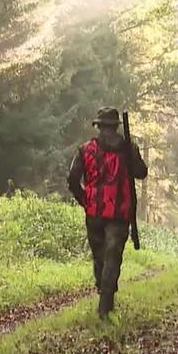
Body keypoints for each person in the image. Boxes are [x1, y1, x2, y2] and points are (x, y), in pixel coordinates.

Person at [66, 107, 147, 320]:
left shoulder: (85, 150)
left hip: (95, 212)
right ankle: (105, 303)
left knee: (102, 257)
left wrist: (85, 200)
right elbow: (142, 172)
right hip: (119, 212)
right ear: (113, 126)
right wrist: (131, 154)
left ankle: (104, 302)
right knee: (111, 256)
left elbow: (72, 180)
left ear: (99, 125)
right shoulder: (127, 148)